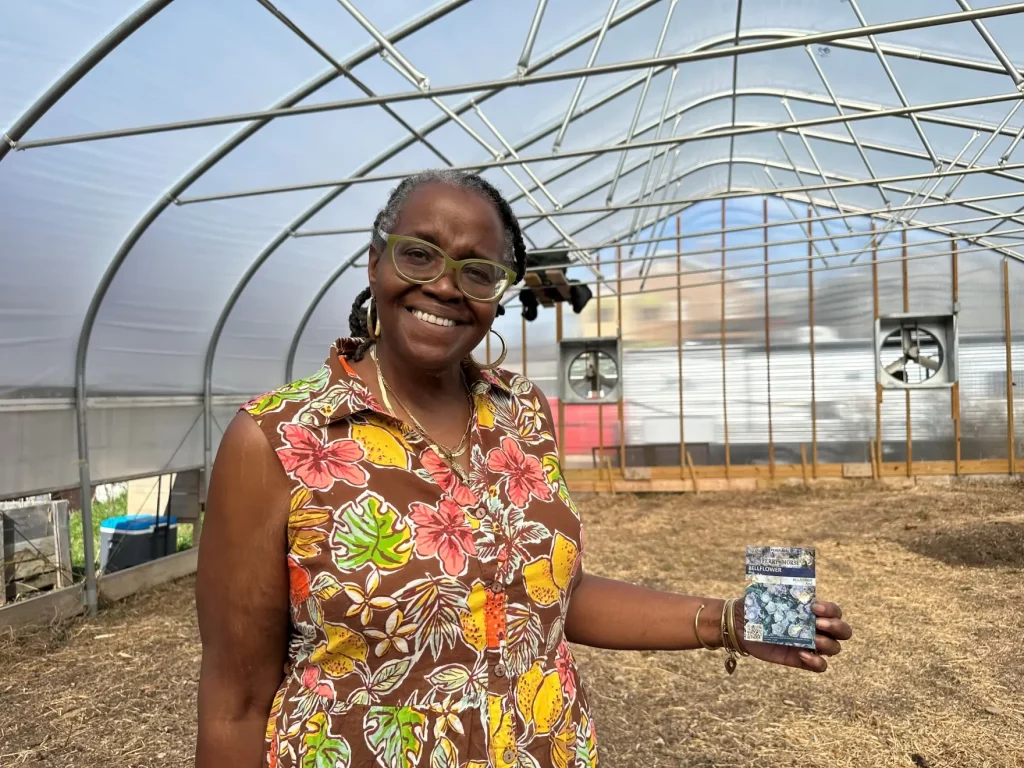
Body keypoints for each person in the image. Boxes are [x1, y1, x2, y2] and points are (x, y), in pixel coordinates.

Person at [195, 169, 852, 768]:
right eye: (419, 253)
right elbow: (235, 703)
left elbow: (547, 595)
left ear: (500, 295)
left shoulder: (523, 414)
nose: (446, 286)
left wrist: (731, 622)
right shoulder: (279, 439)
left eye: (478, 272)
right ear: (376, 263)